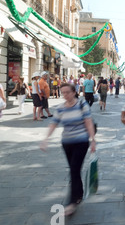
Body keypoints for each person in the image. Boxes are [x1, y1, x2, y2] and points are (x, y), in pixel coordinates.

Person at [40, 83, 96, 216]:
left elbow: (88, 122)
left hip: (81, 142)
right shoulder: (60, 108)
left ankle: (71, 203)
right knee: (74, 169)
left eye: (67, 92)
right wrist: (45, 139)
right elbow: (54, 123)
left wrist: (93, 140)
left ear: (74, 92)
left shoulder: (82, 105)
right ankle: (79, 194)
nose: (65, 95)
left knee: (74, 170)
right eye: (63, 92)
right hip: (67, 143)